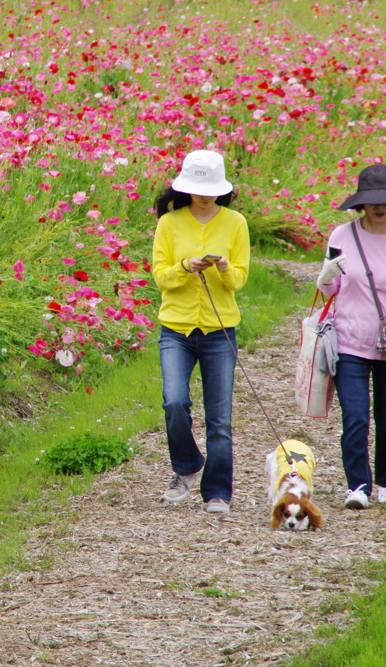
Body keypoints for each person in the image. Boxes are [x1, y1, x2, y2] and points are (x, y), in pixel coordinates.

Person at [316, 164, 386, 509]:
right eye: (372, 202)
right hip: (350, 340)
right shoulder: (341, 235)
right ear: (361, 204)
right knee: (356, 416)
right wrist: (326, 274)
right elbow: (330, 288)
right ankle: (358, 485)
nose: (379, 208)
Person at [151, 150, 250, 514]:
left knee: (219, 417)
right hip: (175, 328)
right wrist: (184, 266)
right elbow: (160, 275)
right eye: (197, 188)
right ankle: (188, 465)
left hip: (220, 329)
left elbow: (239, 280)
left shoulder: (236, 223)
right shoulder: (169, 223)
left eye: (210, 189)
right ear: (185, 188)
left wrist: (222, 268)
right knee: (174, 401)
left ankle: (218, 492)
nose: (204, 195)